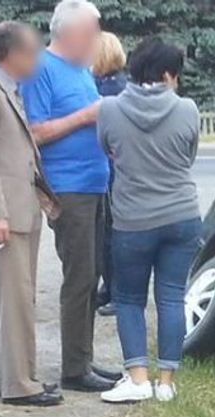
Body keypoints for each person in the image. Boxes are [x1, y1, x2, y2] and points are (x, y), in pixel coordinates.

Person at [0, 21, 63, 407]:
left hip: (22, 211)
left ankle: (16, 376)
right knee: (15, 298)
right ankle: (20, 385)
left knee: (15, 298)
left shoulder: (6, 89)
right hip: (7, 216)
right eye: (33, 51)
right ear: (13, 54)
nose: (37, 57)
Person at [21, 0, 118, 392]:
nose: (96, 38)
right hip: (68, 188)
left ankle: (84, 360)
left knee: (92, 273)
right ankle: (74, 370)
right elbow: (34, 132)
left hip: (95, 183)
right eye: (92, 31)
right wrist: (86, 116)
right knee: (79, 277)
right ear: (70, 33)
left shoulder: (81, 70)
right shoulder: (41, 69)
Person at [97, 37, 201, 403]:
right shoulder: (188, 109)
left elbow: (106, 148)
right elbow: (188, 157)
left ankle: (138, 378)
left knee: (128, 299)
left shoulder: (109, 109)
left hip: (133, 220)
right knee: (172, 296)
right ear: (169, 74)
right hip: (182, 215)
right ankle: (167, 384)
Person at [92, 31, 128, 318]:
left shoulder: (112, 90)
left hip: (113, 169)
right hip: (109, 167)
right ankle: (110, 287)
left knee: (113, 231)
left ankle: (118, 291)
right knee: (106, 230)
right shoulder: (108, 85)